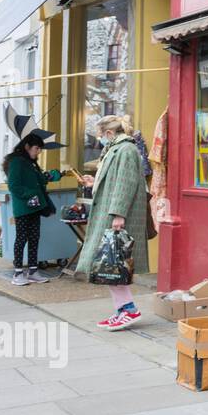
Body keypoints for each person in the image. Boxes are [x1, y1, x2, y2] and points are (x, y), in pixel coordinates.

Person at [77, 115, 151, 331]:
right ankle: (122, 309)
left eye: (101, 135)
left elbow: (124, 183)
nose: (100, 139)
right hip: (111, 212)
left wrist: (118, 214)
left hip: (115, 215)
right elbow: (116, 180)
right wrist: (95, 182)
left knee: (112, 262)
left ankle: (128, 309)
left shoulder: (126, 150)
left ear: (109, 133)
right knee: (108, 263)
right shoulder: (118, 149)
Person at [2, 133, 64, 286]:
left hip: (35, 206)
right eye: (37, 148)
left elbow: (39, 180)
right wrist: (31, 194)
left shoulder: (30, 162)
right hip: (23, 207)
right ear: (27, 146)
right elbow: (14, 186)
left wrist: (52, 176)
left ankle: (33, 271)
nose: (39, 152)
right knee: (22, 238)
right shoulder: (16, 162)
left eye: (40, 149)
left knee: (34, 238)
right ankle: (17, 273)